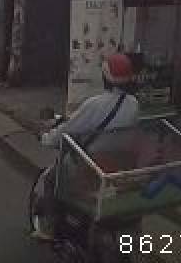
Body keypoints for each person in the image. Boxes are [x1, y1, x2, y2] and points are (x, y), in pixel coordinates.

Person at [32, 53, 140, 241]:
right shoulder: (134, 104)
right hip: (119, 166)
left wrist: (46, 138)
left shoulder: (94, 104)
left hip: (90, 167)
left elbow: (67, 131)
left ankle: (48, 228)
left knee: (51, 179)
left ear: (105, 78)